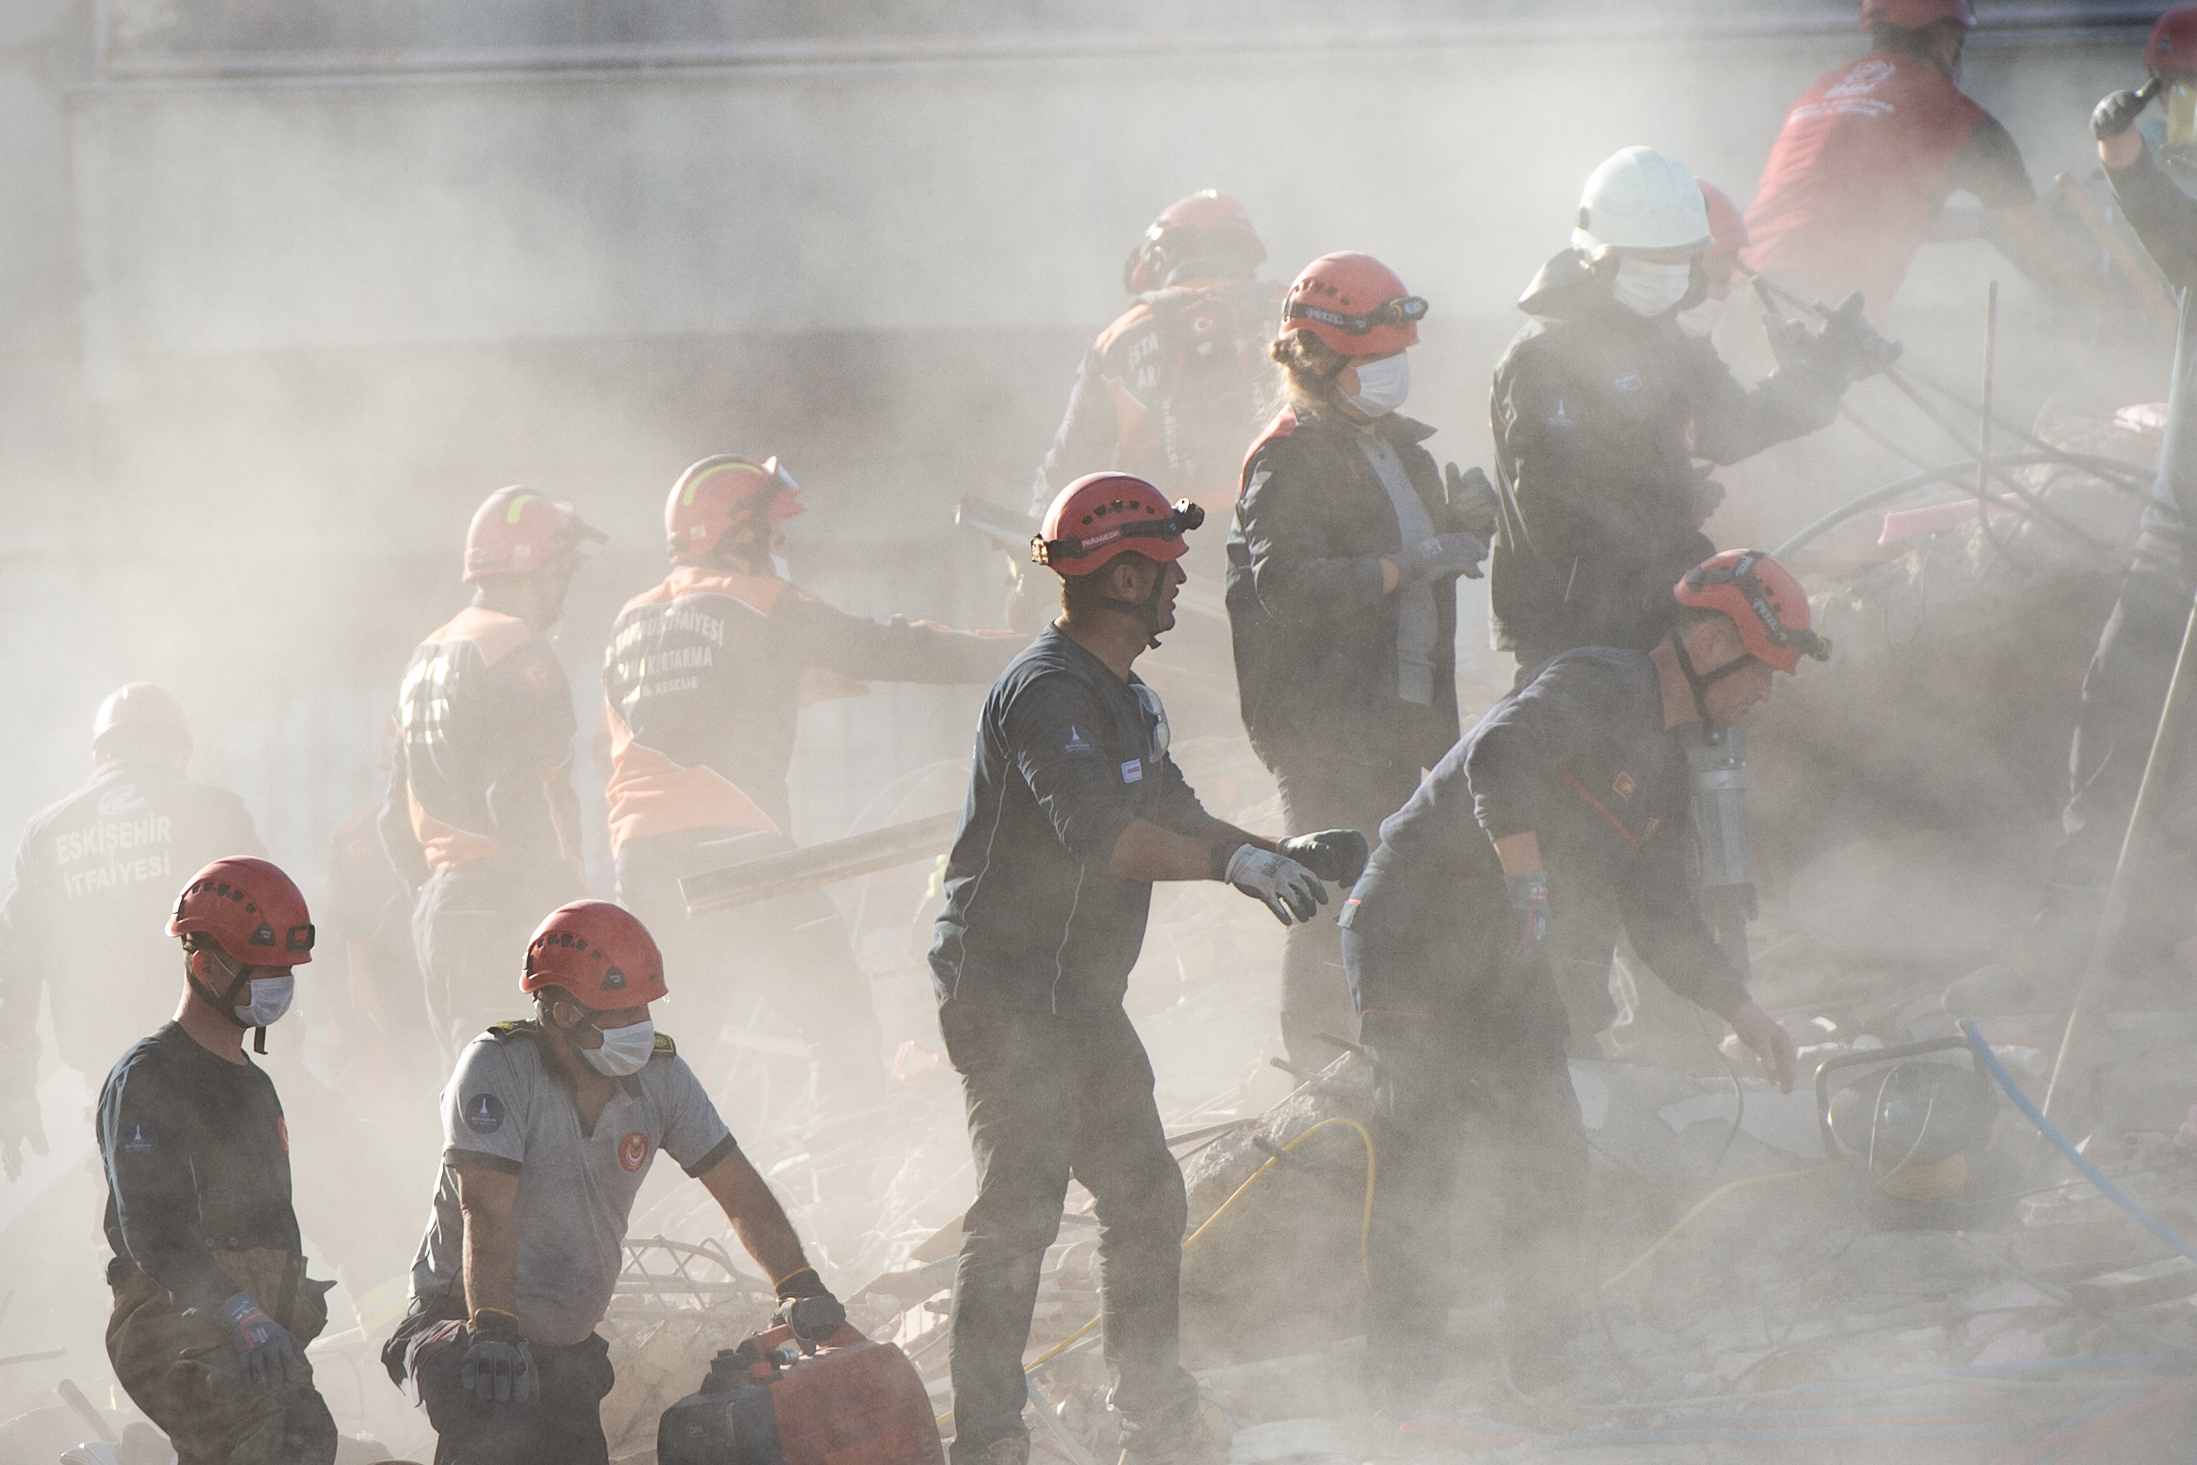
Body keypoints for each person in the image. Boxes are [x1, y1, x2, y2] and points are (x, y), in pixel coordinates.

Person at [931, 472, 1366, 1465]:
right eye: (1167, 565)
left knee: (1145, 1196)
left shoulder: (1128, 698)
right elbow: (1100, 836)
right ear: (1123, 574)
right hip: (1006, 998)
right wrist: (1233, 864)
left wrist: (1280, 853)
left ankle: (1154, 1421)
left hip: (1079, 999)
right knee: (1018, 1216)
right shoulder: (1047, 692)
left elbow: (1176, 815)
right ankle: (989, 1441)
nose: (1179, 582)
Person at [1339, 551, 1811, 1409]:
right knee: (1422, 1161)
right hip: (1412, 928)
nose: (1764, 695)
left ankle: (1541, 1372)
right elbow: (1499, 758)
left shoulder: (1666, 769)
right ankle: (1398, 1397)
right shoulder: (1599, 680)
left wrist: (1743, 1011)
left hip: (1503, 955)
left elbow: (1660, 914)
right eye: (1761, 671)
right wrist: (1528, 884)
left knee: (1550, 1155)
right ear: (1708, 643)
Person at [604, 454, 1021, 1107]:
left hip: (642, 868)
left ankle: (638, 1201)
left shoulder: (628, 622)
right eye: (772, 531)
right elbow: (895, 647)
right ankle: (847, 1187)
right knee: (840, 1017)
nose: (780, 546)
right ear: (736, 532)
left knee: (669, 1057)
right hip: (735, 854)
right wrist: (1025, 650)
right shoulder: (763, 603)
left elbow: (665, 721)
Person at [384, 899, 847, 1465]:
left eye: (642, 1009)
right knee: (496, 1421)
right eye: (618, 1013)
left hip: (565, 1344)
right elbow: (486, 1210)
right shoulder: (497, 1068)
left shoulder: (662, 1077)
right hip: (461, 1321)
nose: (639, 1027)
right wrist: (496, 1332)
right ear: (559, 1013)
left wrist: (798, 1282)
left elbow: (740, 1191)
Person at [1228, 251, 1495, 1068]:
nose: (1392, 373)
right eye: (1375, 358)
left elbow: (1408, 548)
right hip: (1327, 724)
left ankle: (1401, 1058)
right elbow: (1292, 585)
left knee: (1412, 891)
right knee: (1332, 891)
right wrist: (1412, 564)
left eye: (1397, 356)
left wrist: (1461, 527)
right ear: (1316, 355)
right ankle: (1317, 1069)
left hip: (1407, 716)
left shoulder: (1400, 451)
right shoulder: (1287, 456)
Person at [1489, 146, 1868, 672]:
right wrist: (1674, 520)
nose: (1672, 274)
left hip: (1653, 611)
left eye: (1681, 259)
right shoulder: (1545, 356)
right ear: (1602, 258)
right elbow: (1560, 521)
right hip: (1573, 633)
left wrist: (1826, 371)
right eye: (1655, 260)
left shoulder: (1659, 335)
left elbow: (1733, 427)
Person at [2033, 33, 2197, 989]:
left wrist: (2131, 169)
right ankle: (2082, 946)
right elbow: (2177, 238)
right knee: (2117, 723)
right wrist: (2126, 163)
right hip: (2174, 537)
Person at [100, 856, 337, 1465]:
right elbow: (152, 1229)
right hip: (173, 1312)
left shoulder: (255, 1085)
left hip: (250, 1317)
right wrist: (234, 1308)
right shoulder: (151, 1075)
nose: (279, 984)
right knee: (269, 1437)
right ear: (204, 965)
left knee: (301, 1436)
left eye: (286, 969)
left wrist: (283, 1301)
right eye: (265, 969)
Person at [0, 683, 263, 1179]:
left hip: (106, 1071)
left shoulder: (47, 831)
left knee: (127, 1211)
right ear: (180, 750)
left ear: (99, 753)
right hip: (209, 1052)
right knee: (226, 1208)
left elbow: (15, 964)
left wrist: (14, 1086)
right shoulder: (216, 811)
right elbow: (265, 925)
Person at [382, 486, 601, 1059]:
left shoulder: (424, 656)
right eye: (563, 572)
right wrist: (569, 912)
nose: (564, 590)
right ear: (540, 567)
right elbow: (523, 792)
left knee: (474, 1101)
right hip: (501, 905)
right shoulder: (517, 649)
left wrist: (434, 896)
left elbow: (392, 818)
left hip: (441, 912)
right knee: (530, 1100)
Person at [1743, 0, 2103, 322]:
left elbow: (1872, 212)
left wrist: (1985, 225)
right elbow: (2043, 247)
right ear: (1946, 41)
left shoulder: (1819, 92)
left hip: (1738, 289)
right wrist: (2113, 302)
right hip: (1820, 306)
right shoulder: (1957, 117)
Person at [1029, 190, 1281, 522]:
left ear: (1161, 258)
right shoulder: (1291, 309)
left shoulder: (1118, 338)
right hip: (1278, 528)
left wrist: (1036, 551)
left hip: (1164, 549)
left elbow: (1070, 469)